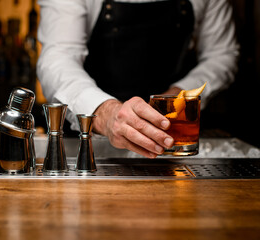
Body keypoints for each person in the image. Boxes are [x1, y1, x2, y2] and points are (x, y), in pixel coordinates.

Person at [36, 0, 239, 158]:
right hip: (90, 145)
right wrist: (105, 113)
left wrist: (179, 94)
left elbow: (222, 55)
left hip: (174, 140)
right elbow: (57, 58)